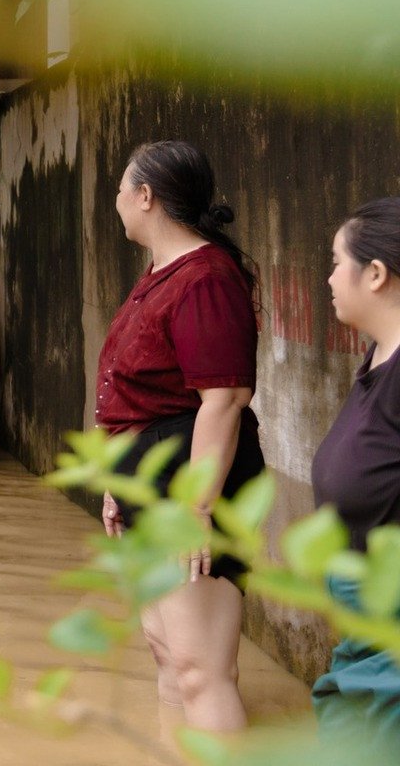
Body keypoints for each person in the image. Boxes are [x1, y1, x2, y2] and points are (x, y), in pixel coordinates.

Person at [96, 141, 262, 736]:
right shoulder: (164, 274)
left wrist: (197, 510)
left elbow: (224, 399)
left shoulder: (206, 279)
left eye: (121, 188)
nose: (115, 201)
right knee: (166, 650)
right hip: (150, 475)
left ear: (146, 197)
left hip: (192, 478)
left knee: (201, 669)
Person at [310, 198, 400, 752]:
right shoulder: (374, 360)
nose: (328, 278)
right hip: (359, 614)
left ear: (375, 273)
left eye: (336, 261)